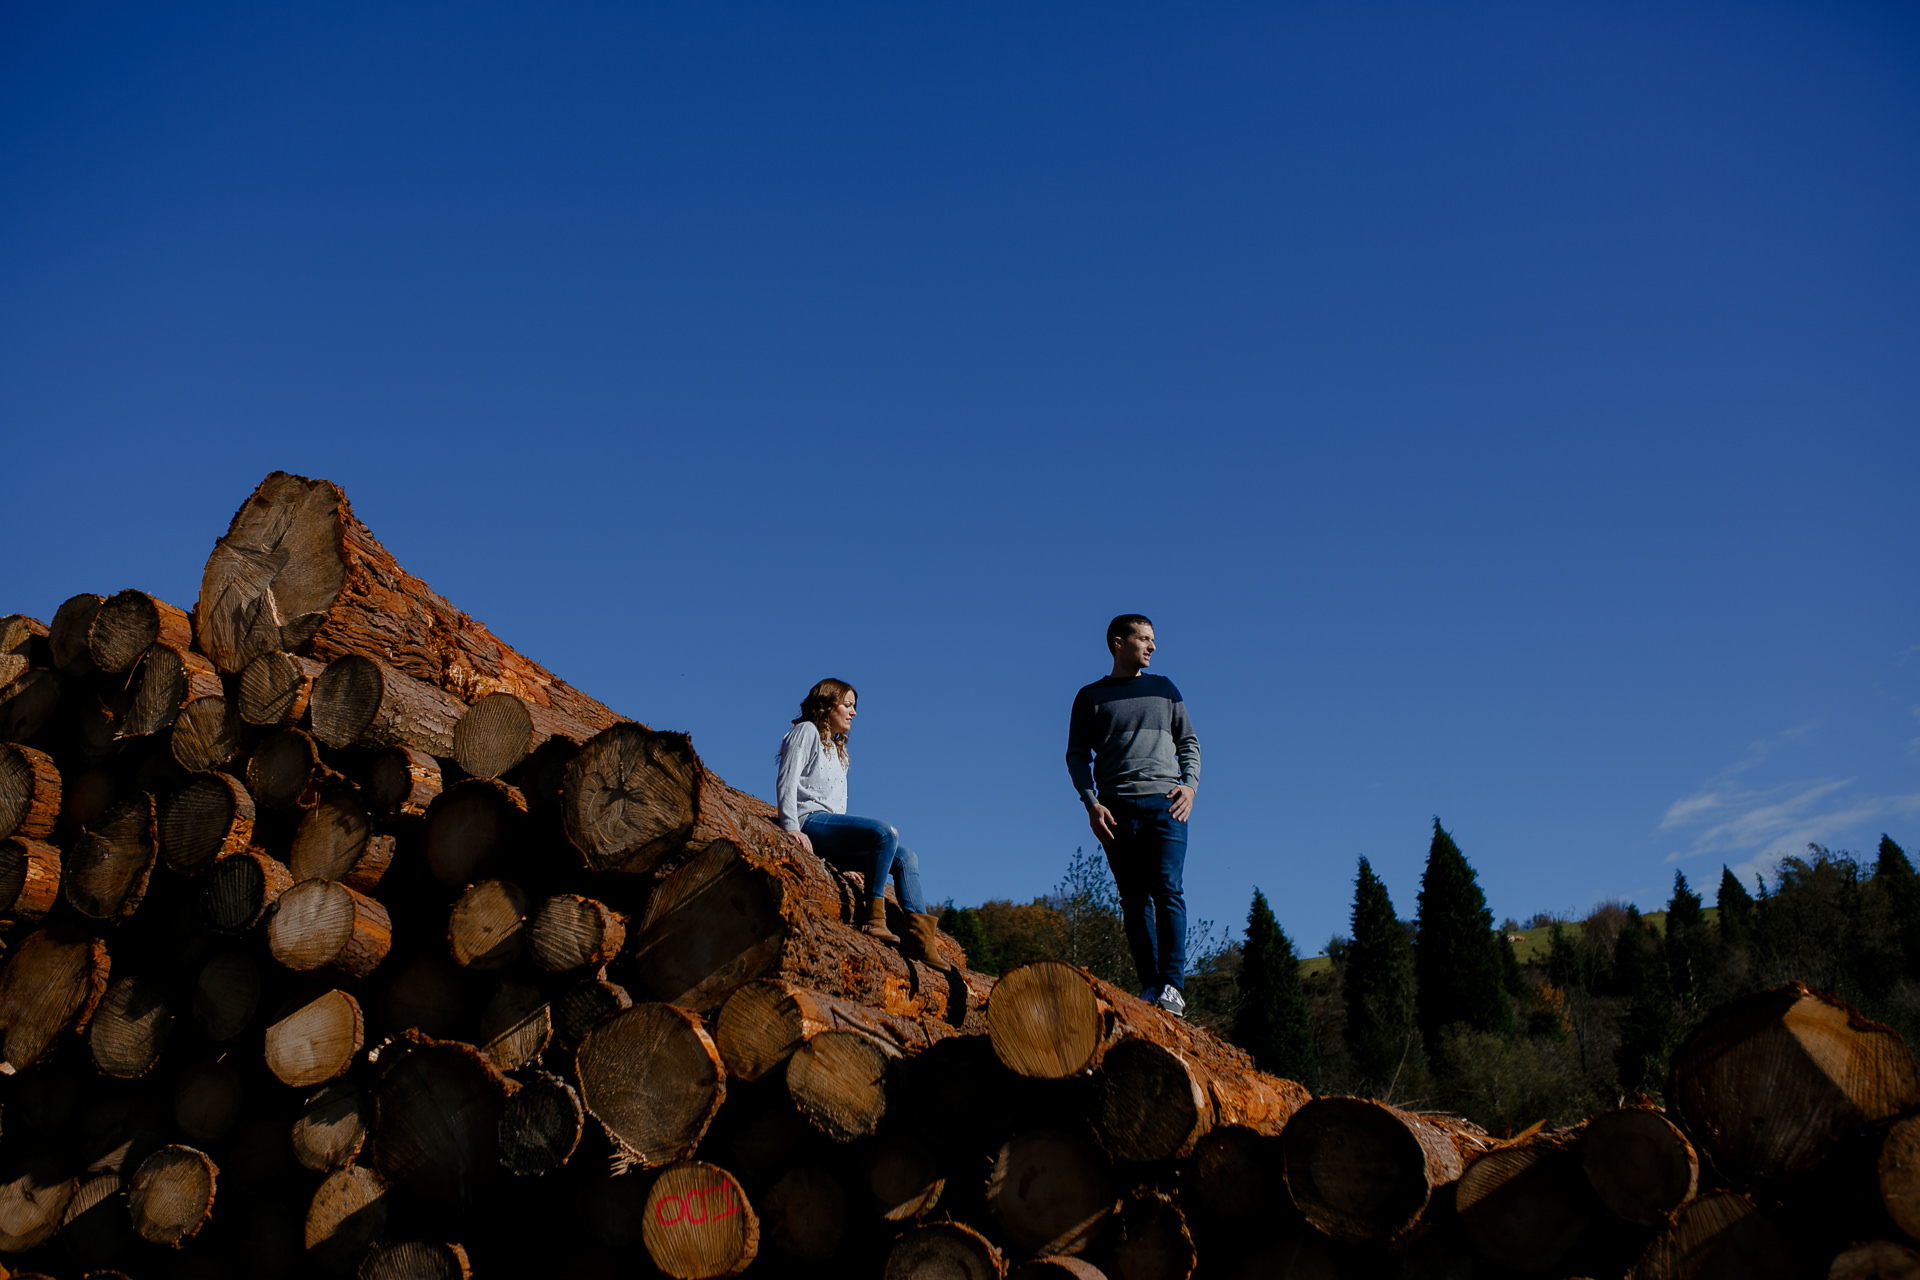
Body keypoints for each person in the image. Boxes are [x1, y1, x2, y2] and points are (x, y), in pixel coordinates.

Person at [1065, 615, 1201, 1016]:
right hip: (1116, 811)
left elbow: (1189, 741)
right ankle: (1150, 986)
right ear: (1117, 643)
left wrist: (1190, 785)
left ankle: (1173, 987)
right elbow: (1076, 755)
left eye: (1153, 639)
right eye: (1144, 638)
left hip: (1166, 804)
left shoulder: (1165, 690)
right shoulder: (1090, 697)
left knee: (1168, 890)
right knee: (1134, 899)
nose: (1152, 646)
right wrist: (1091, 803)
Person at [776, 678, 945, 965]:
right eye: (847, 705)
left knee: (906, 857)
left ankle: (920, 940)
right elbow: (786, 782)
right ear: (827, 705)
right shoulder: (805, 732)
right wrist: (791, 826)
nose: (853, 713)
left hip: (830, 832)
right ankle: (872, 918)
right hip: (810, 821)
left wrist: (848, 860)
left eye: (854, 707)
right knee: (885, 833)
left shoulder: (839, 753)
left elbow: (839, 811)